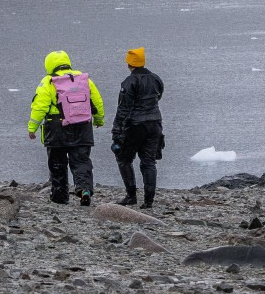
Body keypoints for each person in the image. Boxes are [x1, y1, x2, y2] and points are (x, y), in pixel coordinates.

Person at [28, 50, 104, 206]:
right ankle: (84, 190)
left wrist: (32, 128)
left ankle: (60, 196)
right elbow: (96, 101)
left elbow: (39, 107)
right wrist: (99, 119)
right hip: (82, 125)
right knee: (81, 160)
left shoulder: (49, 81)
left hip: (57, 128)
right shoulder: (82, 79)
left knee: (57, 164)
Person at [111, 47, 164, 209]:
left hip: (134, 126)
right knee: (149, 162)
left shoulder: (129, 82)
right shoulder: (156, 79)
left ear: (129, 63)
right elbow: (159, 96)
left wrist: (116, 131)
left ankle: (131, 195)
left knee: (124, 158)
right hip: (155, 123)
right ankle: (148, 200)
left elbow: (123, 109)